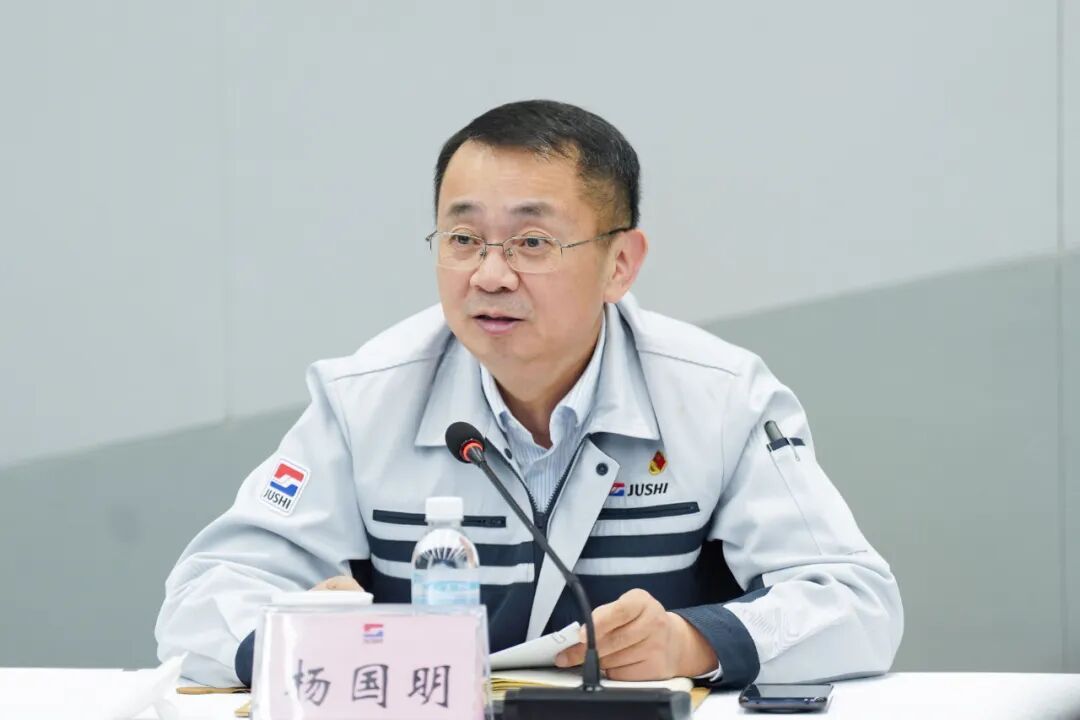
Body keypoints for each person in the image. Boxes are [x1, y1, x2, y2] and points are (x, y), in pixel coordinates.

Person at [156, 99, 903, 689]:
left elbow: (856, 600)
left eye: (532, 243)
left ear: (620, 263)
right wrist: (297, 641)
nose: (489, 275)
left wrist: (693, 642)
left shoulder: (720, 398)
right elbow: (205, 595)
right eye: (463, 240)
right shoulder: (363, 401)